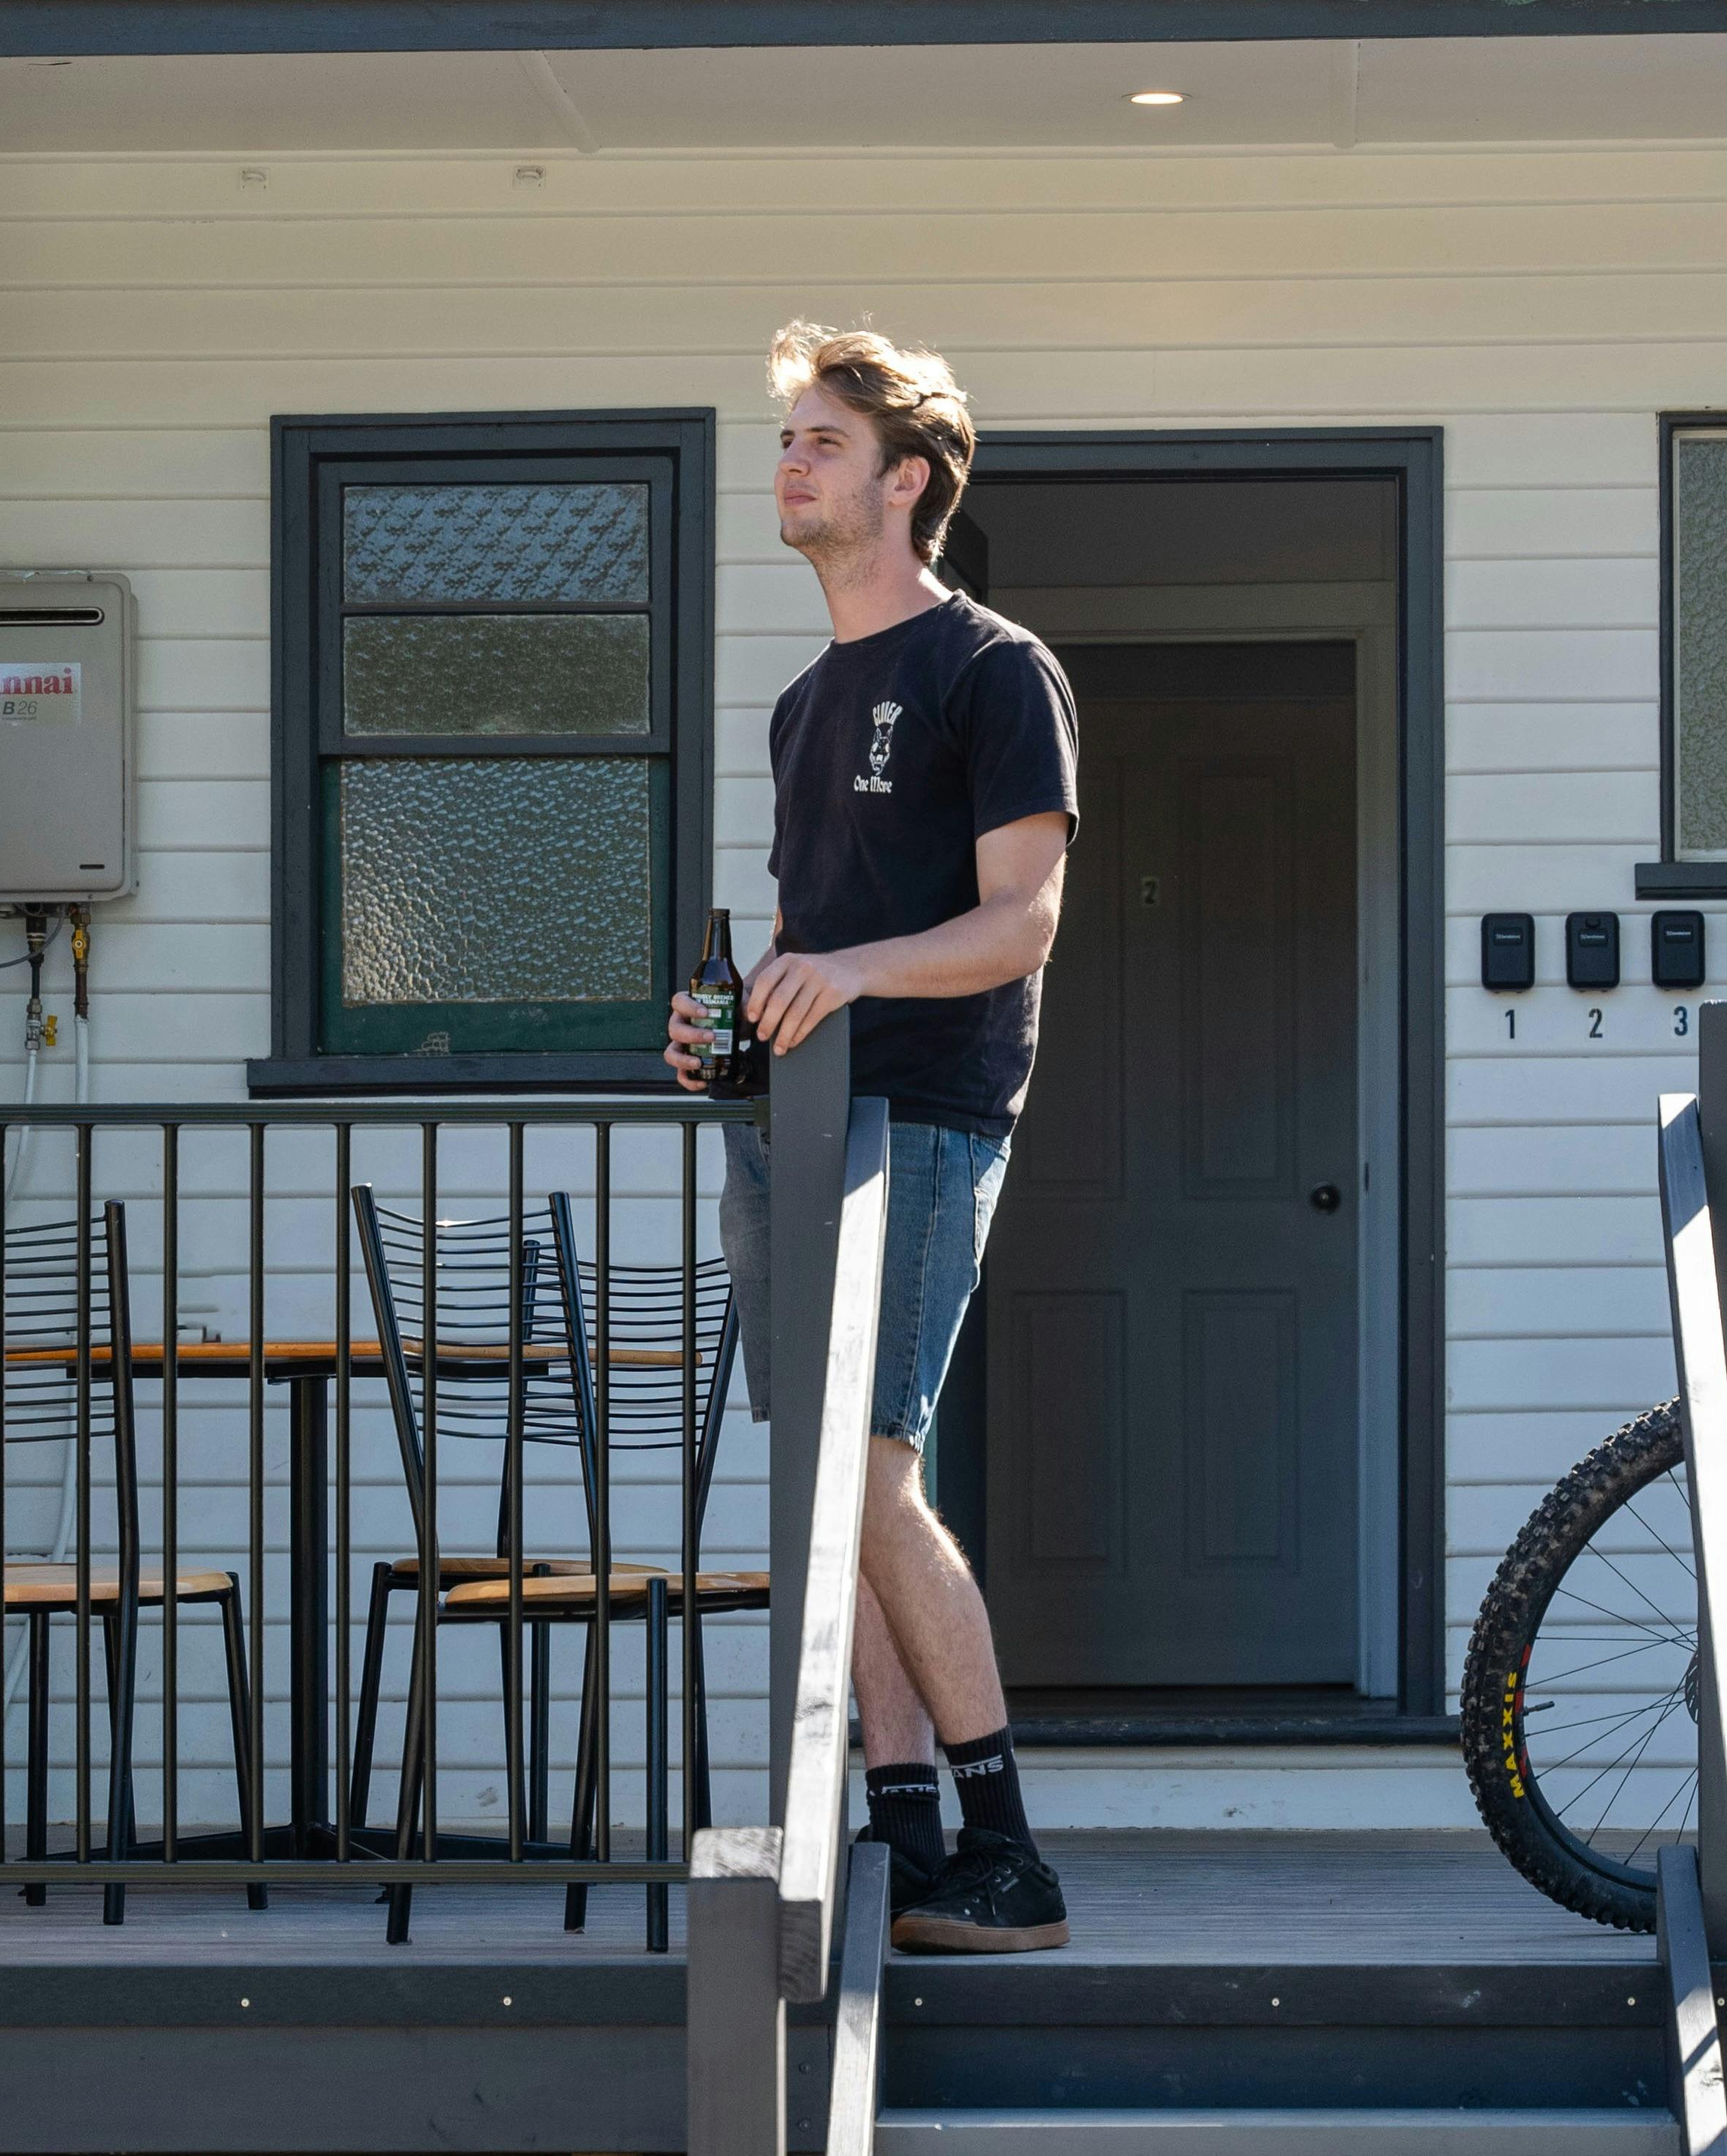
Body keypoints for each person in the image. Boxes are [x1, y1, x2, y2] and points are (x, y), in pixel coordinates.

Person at [666, 321, 1075, 1954]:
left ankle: (1011, 1849)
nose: (790, 463)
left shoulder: (991, 667)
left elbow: (1021, 923)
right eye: (787, 440)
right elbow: (800, 938)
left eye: (822, 442)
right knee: (824, 1486)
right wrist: (730, 1033)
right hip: (798, 1129)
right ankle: (909, 1842)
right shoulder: (799, 707)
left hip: (927, 1118)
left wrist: (840, 975)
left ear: (907, 481)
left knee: (878, 1468)